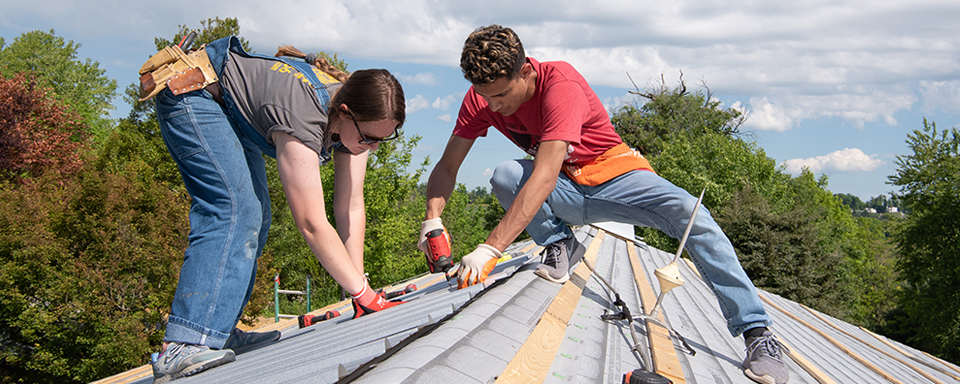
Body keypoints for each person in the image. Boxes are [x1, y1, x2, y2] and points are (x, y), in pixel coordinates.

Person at [417, 25, 790, 384]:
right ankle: (560, 243)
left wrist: (490, 248)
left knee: (692, 215)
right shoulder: (482, 98)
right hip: (563, 187)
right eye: (487, 97)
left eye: (501, 96)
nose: (494, 107)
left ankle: (757, 332)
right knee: (504, 175)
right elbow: (449, 165)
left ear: (526, 71)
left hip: (612, 177)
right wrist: (432, 218)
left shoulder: (560, 86)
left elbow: (543, 176)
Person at [147, 36, 404, 383]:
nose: (371, 148)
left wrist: (361, 290)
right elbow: (312, 223)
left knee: (257, 214)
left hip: (225, 106)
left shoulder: (352, 117)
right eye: (369, 138)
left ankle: (218, 327)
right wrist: (363, 293)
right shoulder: (303, 115)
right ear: (345, 113)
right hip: (190, 92)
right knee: (234, 210)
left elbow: (350, 206)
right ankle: (185, 343)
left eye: (381, 140)